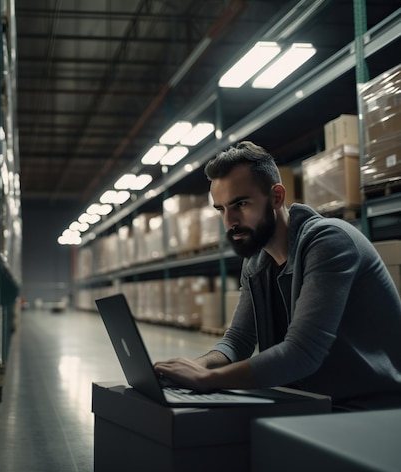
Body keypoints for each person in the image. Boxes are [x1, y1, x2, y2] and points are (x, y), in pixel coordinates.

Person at [154, 141, 401, 410]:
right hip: (310, 402)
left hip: (372, 409)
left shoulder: (330, 241)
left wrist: (209, 379)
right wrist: (194, 367)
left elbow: (303, 352)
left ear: (277, 197)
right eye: (221, 209)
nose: (229, 221)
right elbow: (238, 340)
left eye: (241, 204)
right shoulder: (257, 262)